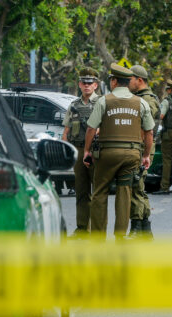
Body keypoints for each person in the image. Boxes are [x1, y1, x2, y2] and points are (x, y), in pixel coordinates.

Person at [83, 63, 155, 238]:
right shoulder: (141, 103)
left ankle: (98, 237)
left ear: (114, 81)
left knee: (100, 192)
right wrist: (146, 155)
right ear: (128, 82)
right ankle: (120, 237)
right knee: (124, 193)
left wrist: (87, 151)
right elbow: (149, 132)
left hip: (106, 155)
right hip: (131, 155)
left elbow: (91, 128)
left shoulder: (104, 101)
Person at [62, 67, 100, 235]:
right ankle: (82, 228)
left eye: (90, 83)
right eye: (84, 83)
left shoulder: (101, 103)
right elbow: (66, 131)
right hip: (78, 149)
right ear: (79, 84)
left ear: (95, 85)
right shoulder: (74, 105)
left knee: (98, 192)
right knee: (81, 191)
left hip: (96, 151)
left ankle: (97, 230)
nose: (86, 86)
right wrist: (66, 150)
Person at [128, 64, 160, 237]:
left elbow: (146, 127)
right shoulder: (139, 98)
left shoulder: (147, 100)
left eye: (130, 80)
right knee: (138, 187)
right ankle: (144, 228)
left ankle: (137, 227)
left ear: (139, 80)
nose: (127, 83)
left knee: (136, 186)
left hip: (142, 147)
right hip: (139, 146)